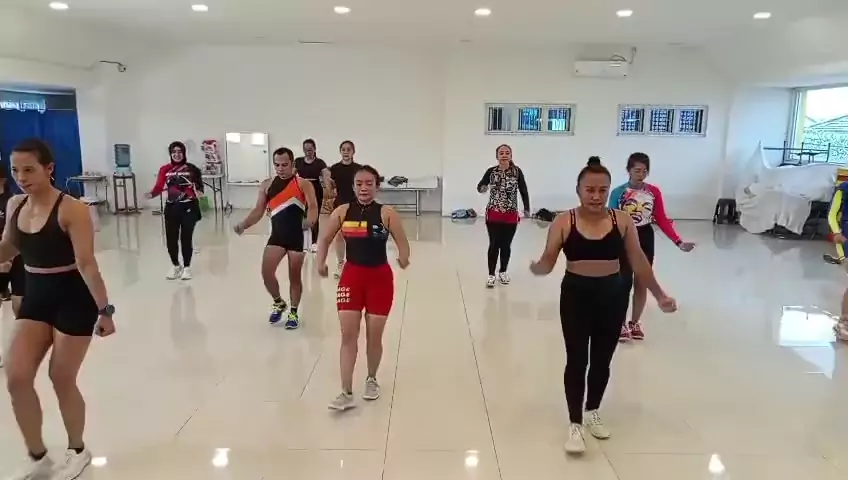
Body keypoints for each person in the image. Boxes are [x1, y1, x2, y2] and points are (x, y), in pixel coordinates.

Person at [530, 156, 676, 455]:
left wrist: (660, 295)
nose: (596, 196)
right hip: (576, 296)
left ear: (609, 190)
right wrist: (537, 268)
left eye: (602, 190)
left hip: (613, 296)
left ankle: (592, 410)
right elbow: (548, 261)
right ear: (578, 190)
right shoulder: (564, 221)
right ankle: (575, 423)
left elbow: (639, 261)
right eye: (590, 190)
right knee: (576, 359)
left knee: (602, 360)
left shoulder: (622, 221)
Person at [1, 138, 116, 479]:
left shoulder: (72, 209)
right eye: (15, 170)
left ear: (49, 168)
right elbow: (9, 247)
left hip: (73, 298)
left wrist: (105, 311)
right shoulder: (15, 205)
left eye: (29, 169)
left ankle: (77, 449)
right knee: (16, 376)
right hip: (36, 295)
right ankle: (38, 456)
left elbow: (87, 263)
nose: (21, 177)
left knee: (61, 377)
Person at [317, 165, 410, 411]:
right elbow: (324, 238)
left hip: (380, 279)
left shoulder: (387, 213)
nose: (364, 188)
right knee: (348, 335)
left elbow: (402, 242)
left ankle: (371, 378)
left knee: (373, 335)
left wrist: (403, 257)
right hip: (351, 278)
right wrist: (320, 262)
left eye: (369, 183)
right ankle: (345, 392)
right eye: (359, 184)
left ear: (377, 186)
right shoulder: (342, 212)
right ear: (353, 186)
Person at [608, 152, 694, 342]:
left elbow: (661, 218)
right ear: (629, 170)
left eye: (644, 171)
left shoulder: (653, 192)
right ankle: (620, 323)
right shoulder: (618, 193)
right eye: (637, 170)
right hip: (624, 238)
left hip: (645, 237)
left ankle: (634, 323)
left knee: (642, 281)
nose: (641, 174)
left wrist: (678, 241)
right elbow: (611, 220)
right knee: (622, 283)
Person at [234, 147, 318, 328]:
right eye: (277, 165)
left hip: (297, 236)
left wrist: (310, 221)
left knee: (294, 277)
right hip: (277, 235)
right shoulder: (267, 185)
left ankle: (293, 312)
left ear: (292, 164)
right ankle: (279, 302)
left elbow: (313, 206)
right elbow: (258, 211)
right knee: (267, 273)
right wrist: (243, 225)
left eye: (284, 165)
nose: (280, 168)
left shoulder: (303, 184)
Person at [145, 141, 204, 280]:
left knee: (186, 238)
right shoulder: (165, 169)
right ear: (170, 154)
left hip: (189, 208)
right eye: (174, 152)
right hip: (171, 208)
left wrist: (198, 192)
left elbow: (200, 189)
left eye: (179, 152)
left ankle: (187, 267)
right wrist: (150, 195)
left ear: (184, 153)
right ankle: (176, 266)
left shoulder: (192, 169)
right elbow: (159, 187)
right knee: (171, 239)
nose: (177, 154)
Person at [477, 144, 530, 288]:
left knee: (506, 245)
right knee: (494, 244)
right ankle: (491, 274)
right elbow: (481, 186)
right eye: (501, 153)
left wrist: (527, 208)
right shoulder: (491, 171)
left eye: (507, 153)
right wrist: (482, 188)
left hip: (511, 214)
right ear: (497, 156)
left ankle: (503, 272)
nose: (504, 155)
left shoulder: (517, 172)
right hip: (494, 213)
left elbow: (523, 190)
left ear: (511, 156)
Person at [328, 140, 362, 278]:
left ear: (353, 152)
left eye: (349, 149)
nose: (346, 152)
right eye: (343, 149)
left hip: (355, 204)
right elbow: (331, 188)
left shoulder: (359, 169)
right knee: (339, 235)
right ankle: (341, 264)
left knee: (356, 235)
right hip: (339, 205)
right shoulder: (334, 169)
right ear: (340, 151)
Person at [294, 138, 331, 253]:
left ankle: (314, 242)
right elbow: (291, 174)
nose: (307, 152)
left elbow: (326, 176)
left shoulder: (320, 163)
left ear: (314, 149)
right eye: (305, 150)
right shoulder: (298, 161)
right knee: (301, 216)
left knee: (314, 216)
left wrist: (328, 189)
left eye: (310, 149)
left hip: (316, 191)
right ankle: (303, 241)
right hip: (301, 191)